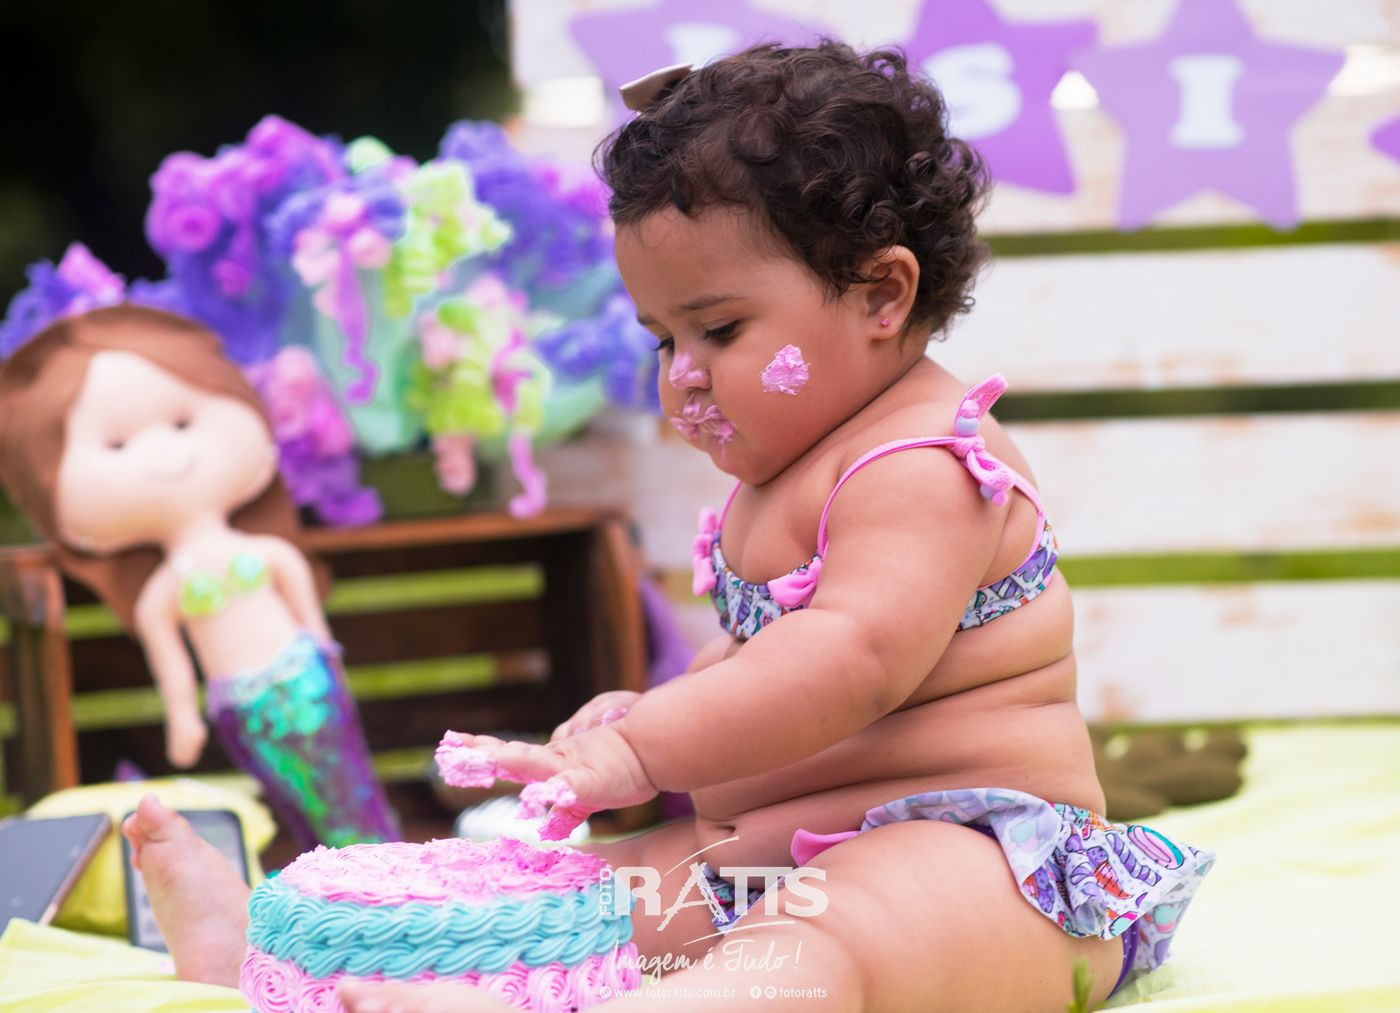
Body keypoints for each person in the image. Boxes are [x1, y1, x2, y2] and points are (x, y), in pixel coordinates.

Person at [124, 41, 1211, 1011]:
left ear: (882, 295)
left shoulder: (921, 463)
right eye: (661, 340)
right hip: (757, 864)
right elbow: (760, 662)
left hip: (982, 869)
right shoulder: (787, 468)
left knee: (835, 935)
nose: (681, 376)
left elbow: (852, 656)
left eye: (719, 330)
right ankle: (281, 959)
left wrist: (643, 748)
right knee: (576, 896)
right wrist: (650, 713)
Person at [0, 306, 399, 849]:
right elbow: (173, 669)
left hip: (306, 678)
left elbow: (310, 616)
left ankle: (377, 853)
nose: (164, 453)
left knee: (348, 780)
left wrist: (326, 654)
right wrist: (183, 718)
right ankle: (325, 863)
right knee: (288, 792)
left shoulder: (268, 553)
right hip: (242, 706)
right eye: (117, 444)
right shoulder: (162, 595)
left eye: (182, 424)